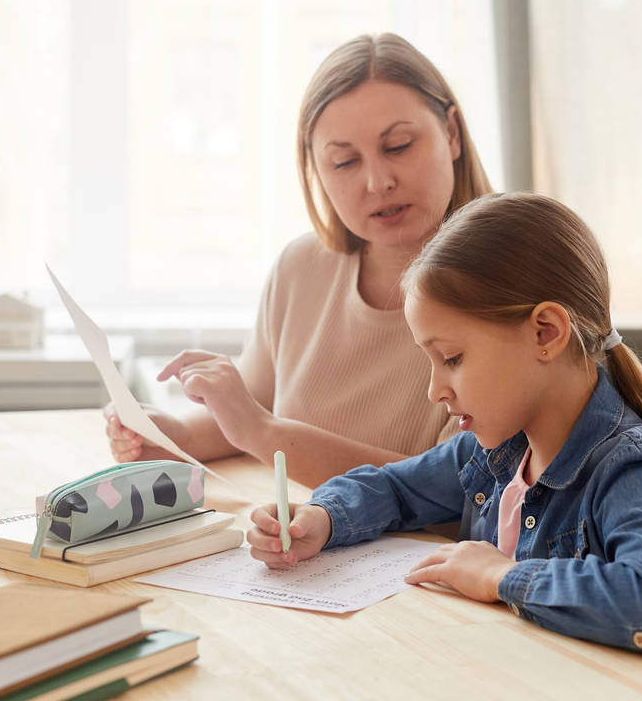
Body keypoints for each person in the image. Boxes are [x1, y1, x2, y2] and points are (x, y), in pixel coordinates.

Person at [246, 193, 642, 654]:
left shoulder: (635, 470)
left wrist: (500, 575)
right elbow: (396, 490)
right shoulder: (492, 452)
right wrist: (321, 519)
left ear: (545, 332)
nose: (435, 390)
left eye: (451, 358)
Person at [105, 33, 493, 487]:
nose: (377, 181)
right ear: (315, 169)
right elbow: (253, 412)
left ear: (451, 133)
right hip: (295, 543)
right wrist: (176, 436)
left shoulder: (503, 288)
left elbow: (459, 490)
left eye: (399, 146)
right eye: (344, 161)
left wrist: (261, 431)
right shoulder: (302, 268)